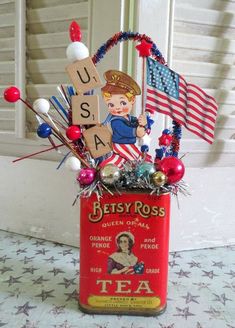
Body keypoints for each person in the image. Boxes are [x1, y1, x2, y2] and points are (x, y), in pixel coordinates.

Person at [100, 70, 152, 168]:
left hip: (129, 146)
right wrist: (136, 132)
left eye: (123, 103)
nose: (117, 108)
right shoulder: (115, 121)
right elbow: (124, 130)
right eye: (111, 104)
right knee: (134, 160)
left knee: (134, 160)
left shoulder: (129, 118)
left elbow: (135, 123)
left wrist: (143, 123)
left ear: (132, 100)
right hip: (120, 146)